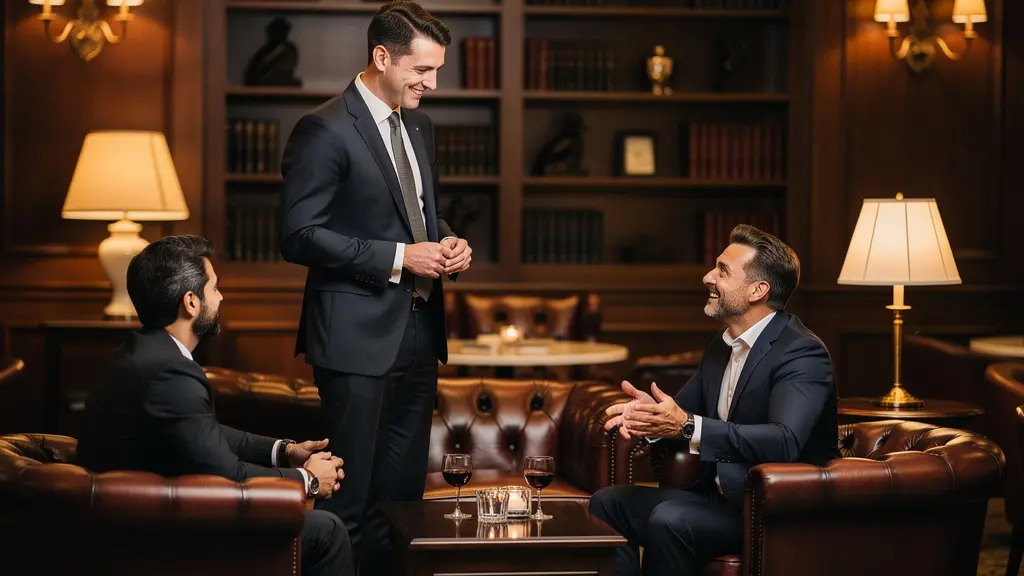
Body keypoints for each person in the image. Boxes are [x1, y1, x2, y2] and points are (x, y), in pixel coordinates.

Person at [277, 1, 472, 572]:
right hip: (354, 340)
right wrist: (399, 257)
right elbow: (299, 236)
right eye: (421, 70)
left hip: (419, 335)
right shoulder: (323, 128)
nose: (431, 84)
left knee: (403, 503)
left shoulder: (420, 124)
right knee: (353, 503)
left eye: (437, 71)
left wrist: (449, 243)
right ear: (381, 57)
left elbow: (416, 217)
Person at [76, 235, 353, 576]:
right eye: (214, 288)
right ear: (191, 302)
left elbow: (202, 435)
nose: (221, 297)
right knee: (328, 530)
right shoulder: (171, 372)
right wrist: (308, 479)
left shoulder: (135, 354)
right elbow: (225, 476)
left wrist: (284, 451)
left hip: (131, 527)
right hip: (161, 543)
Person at [590, 224, 839, 576]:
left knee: (669, 519)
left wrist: (687, 425)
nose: (708, 277)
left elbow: (784, 441)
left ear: (757, 290)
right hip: (721, 500)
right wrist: (651, 416)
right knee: (607, 503)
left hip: (773, 512)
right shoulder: (722, 344)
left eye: (722, 271)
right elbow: (682, 414)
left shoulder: (801, 353)